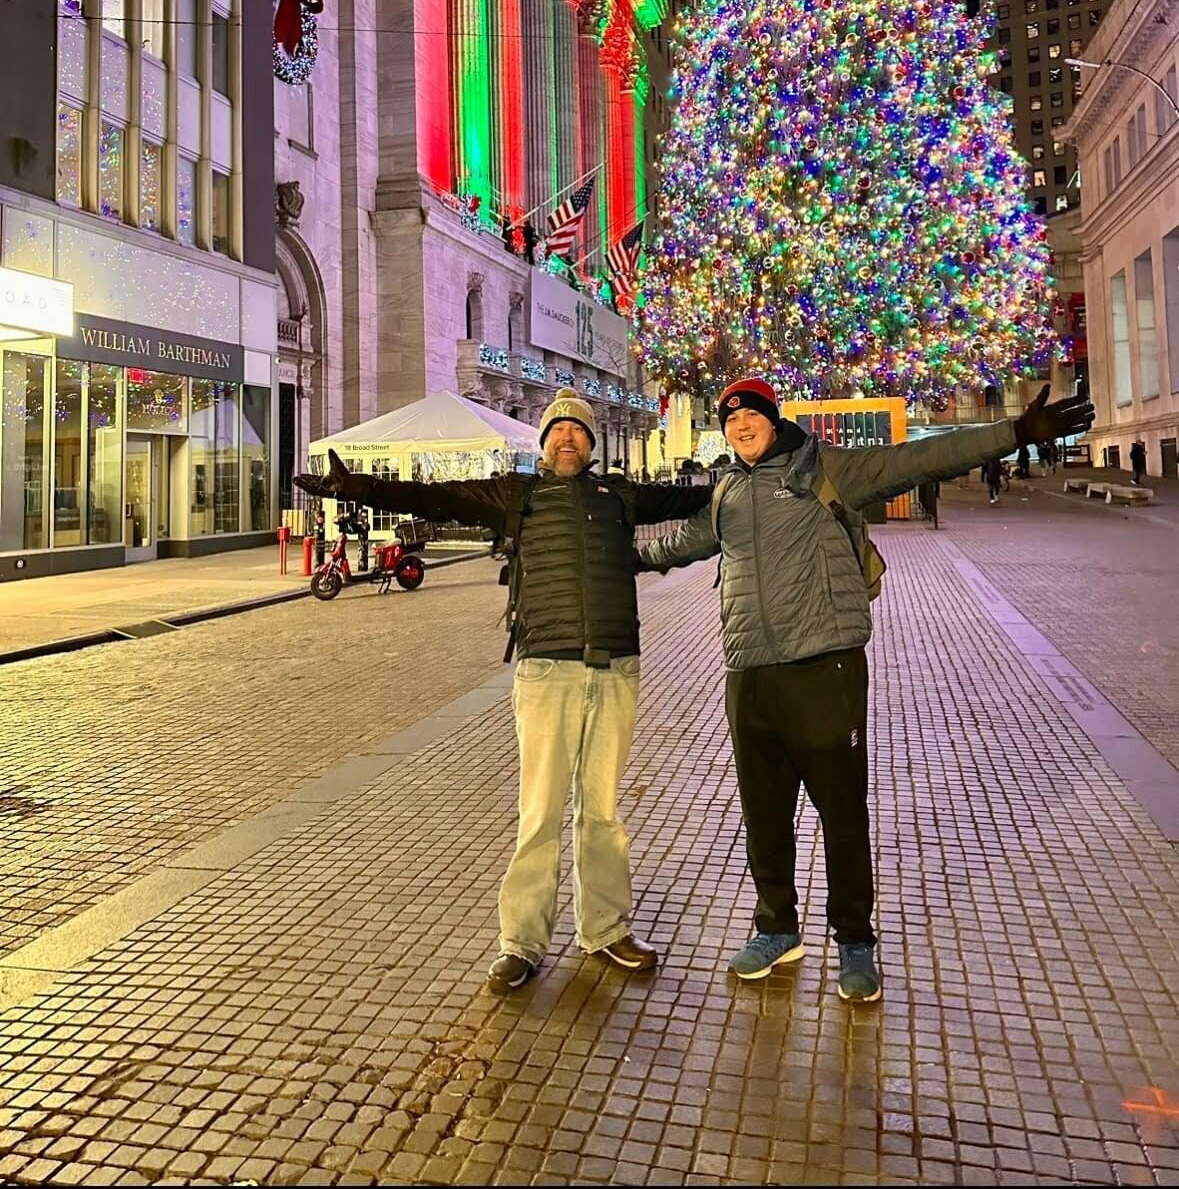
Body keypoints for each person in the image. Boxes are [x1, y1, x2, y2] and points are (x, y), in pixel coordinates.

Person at [637, 377, 1094, 1002]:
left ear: (773, 419)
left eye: (751, 416)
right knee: (764, 815)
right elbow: (680, 543)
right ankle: (776, 929)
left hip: (824, 666)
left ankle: (855, 939)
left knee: (841, 813)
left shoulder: (826, 469)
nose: (740, 427)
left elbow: (920, 459)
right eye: (730, 420)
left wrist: (1013, 433)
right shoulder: (728, 491)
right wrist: (607, 552)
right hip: (749, 673)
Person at [294, 387, 712, 995]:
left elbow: (697, 497)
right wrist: (359, 487)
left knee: (602, 812)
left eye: (578, 430)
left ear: (590, 443)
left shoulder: (619, 495)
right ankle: (521, 942)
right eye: (558, 429)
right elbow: (434, 496)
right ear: (543, 442)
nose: (567, 437)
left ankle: (606, 927)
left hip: (616, 666)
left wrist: (755, 477)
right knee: (540, 812)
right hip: (546, 669)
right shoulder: (515, 494)